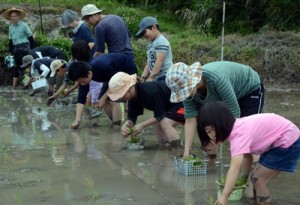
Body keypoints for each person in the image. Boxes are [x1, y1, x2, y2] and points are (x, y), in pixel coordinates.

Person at [197, 101, 300, 205]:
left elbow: (234, 169)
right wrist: (242, 181)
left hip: (288, 141)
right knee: (255, 178)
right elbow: (248, 158)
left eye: (214, 129)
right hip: (280, 138)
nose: (212, 135)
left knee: (258, 179)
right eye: (208, 131)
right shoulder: (237, 127)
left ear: (223, 122)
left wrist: (224, 197)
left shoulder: (239, 136)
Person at [165, 61, 264, 158]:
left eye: (185, 91)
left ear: (192, 81)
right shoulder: (188, 94)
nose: (185, 94)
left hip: (249, 88)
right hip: (228, 92)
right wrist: (186, 152)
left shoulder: (217, 79)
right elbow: (190, 119)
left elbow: (234, 113)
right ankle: (211, 164)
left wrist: (219, 137)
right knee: (208, 128)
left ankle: (254, 165)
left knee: (247, 134)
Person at [107, 72, 184, 148]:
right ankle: (163, 145)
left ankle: (177, 150)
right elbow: (132, 118)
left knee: (165, 122)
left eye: (122, 95)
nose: (121, 98)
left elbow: (160, 115)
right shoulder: (132, 97)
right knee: (156, 122)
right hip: (169, 107)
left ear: (129, 88)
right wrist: (126, 125)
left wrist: (142, 125)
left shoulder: (149, 91)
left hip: (182, 103)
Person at [68, 55, 137, 129]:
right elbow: (81, 99)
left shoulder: (103, 67)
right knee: (102, 99)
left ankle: (116, 127)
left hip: (126, 71)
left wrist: (104, 98)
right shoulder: (84, 76)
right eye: (79, 82)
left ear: (89, 74)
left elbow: (116, 84)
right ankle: (115, 122)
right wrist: (77, 120)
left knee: (113, 99)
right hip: (111, 77)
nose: (82, 84)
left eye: (82, 81)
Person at [3, 7, 35, 89]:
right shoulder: (10, 27)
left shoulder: (24, 25)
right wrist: (10, 52)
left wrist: (32, 50)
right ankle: (14, 87)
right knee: (15, 66)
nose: (13, 18)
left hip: (24, 47)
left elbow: (31, 38)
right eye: (12, 16)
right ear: (10, 18)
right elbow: (10, 41)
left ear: (18, 17)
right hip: (16, 49)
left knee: (27, 65)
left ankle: (30, 85)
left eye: (15, 16)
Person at [136, 16, 173, 82]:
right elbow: (149, 64)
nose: (144, 35)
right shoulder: (150, 45)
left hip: (165, 76)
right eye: (142, 34)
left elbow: (159, 61)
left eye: (145, 32)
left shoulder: (161, 41)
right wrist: (143, 78)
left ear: (154, 27)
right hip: (157, 78)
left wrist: (151, 78)